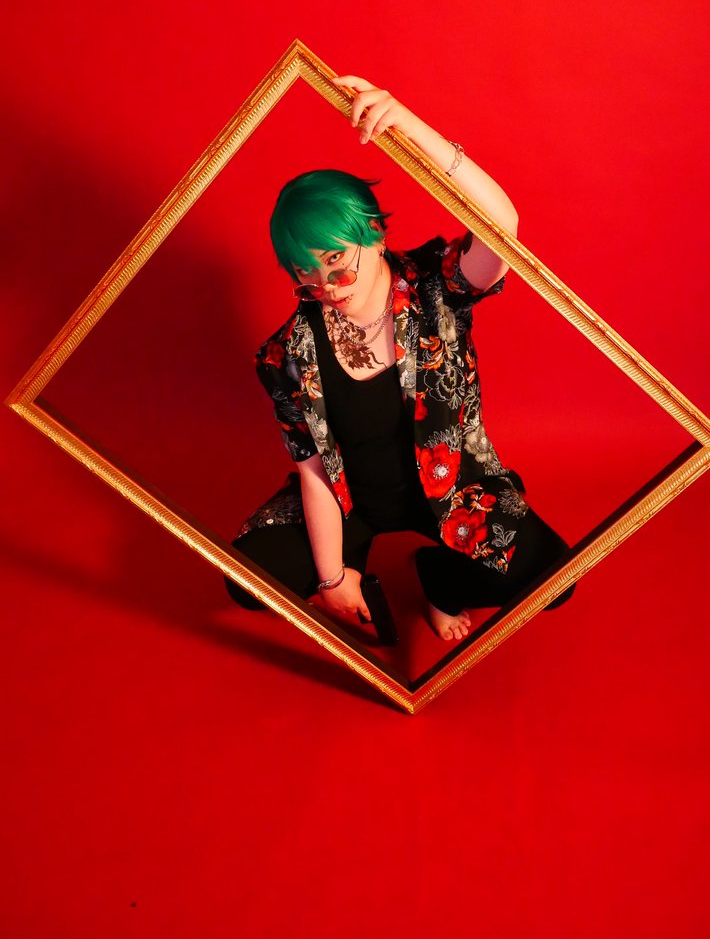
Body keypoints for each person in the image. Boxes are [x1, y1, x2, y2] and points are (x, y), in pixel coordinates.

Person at [224, 74, 575, 641]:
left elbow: (502, 229)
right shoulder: (284, 352)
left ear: (375, 234)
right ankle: (357, 568)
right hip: (351, 502)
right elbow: (313, 469)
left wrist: (407, 126)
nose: (326, 285)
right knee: (245, 580)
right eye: (305, 273)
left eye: (336, 262)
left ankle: (440, 579)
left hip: (454, 487)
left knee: (554, 581)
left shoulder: (438, 285)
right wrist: (333, 577)